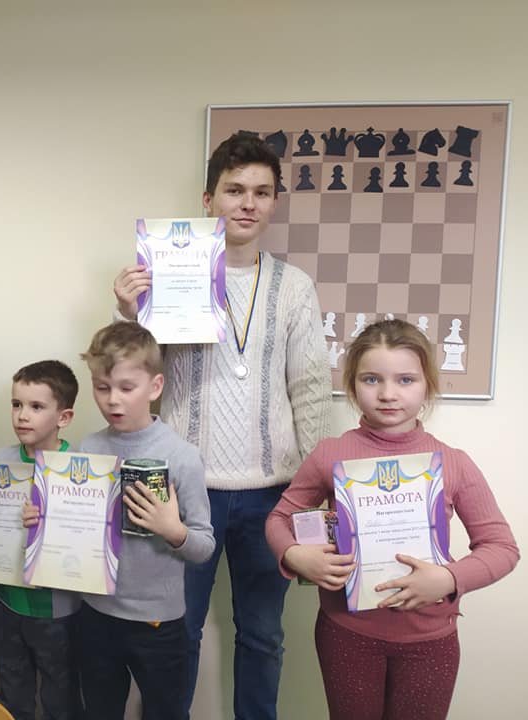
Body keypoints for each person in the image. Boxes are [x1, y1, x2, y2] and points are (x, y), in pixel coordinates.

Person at [113, 132, 331, 718]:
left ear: (275, 202)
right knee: (175, 632)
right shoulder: (167, 277)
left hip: (273, 493)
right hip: (185, 489)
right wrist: (129, 314)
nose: (248, 203)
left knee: (262, 636)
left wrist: (314, 487)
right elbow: (133, 375)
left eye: (262, 192)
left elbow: (311, 388)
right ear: (208, 199)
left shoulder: (294, 287)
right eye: (235, 190)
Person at [265, 319, 519, 720]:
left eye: (405, 380)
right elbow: (279, 518)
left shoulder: (453, 462)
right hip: (346, 634)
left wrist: (449, 578)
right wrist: (295, 555)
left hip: (430, 643)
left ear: (427, 386)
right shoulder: (330, 454)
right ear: (352, 385)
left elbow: (503, 548)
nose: (387, 394)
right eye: (371, 379)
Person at [25, 321, 213, 720]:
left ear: (155, 387)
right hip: (96, 615)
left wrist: (174, 531)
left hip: (159, 621)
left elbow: (204, 546)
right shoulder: (89, 448)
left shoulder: (182, 457)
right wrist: (44, 519)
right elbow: (75, 528)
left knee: (165, 713)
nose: (113, 400)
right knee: (100, 711)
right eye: (102, 387)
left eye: (127, 388)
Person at [0, 360, 82, 720]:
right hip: (6, 603)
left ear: (64, 417)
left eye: (36, 407)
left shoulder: (79, 468)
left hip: (57, 611)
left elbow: (85, 542)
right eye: (16, 404)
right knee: (12, 693)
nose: (22, 415)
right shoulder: (2, 460)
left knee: (61, 699)